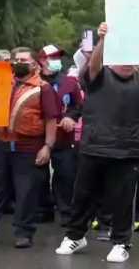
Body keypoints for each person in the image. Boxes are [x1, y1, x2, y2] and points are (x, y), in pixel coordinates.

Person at [55, 23, 139, 263]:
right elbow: (94, 64)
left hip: (128, 152)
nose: (126, 62)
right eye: (121, 57)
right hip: (94, 148)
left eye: (131, 57)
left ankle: (121, 242)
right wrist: (103, 40)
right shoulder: (99, 76)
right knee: (82, 196)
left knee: (122, 200)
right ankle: (75, 236)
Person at [0, 47, 58, 249]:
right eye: (15, 59)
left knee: (26, 192)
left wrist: (47, 147)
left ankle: (24, 233)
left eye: (22, 59)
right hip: (1, 145)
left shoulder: (43, 88)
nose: (17, 62)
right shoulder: (2, 84)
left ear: (34, 64)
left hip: (28, 147)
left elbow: (51, 120)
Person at [36, 45, 83, 226]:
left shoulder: (69, 82)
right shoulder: (34, 82)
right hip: (39, 138)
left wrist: (71, 117)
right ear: (41, 60)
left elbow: (78, 105)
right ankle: (43, 209)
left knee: (65, 175)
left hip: (64, 137)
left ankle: (66, 212)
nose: (56, 60)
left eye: (58, 57)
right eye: (52, 57)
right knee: (39, 175)